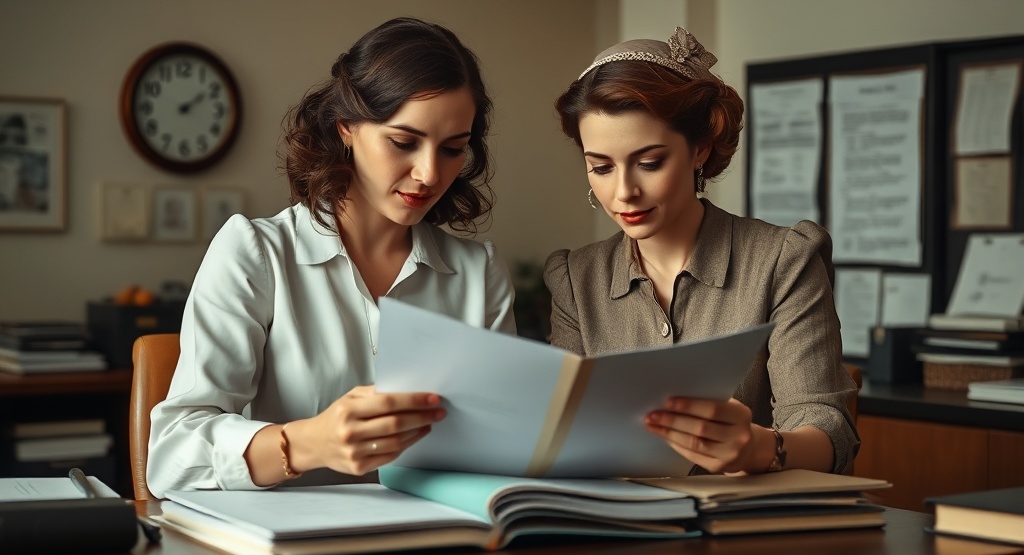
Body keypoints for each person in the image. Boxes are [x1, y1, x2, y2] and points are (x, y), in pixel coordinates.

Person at [148, 17, 516, 498]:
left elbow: (504, 443)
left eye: (452, 150)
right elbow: (171, 455)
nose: (429, 173)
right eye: (403, 142)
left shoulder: (479, 273)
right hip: (287, 540)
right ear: (347, 127)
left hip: (440, 535)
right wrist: (309, 444)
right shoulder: (256, 254)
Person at [544, 28, 858, 476]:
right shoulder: (576, 279)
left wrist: (759, 448)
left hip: (744, 516)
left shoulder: (783, 261)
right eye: (601, 167)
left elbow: (829, 430)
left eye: (649, 163)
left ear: (700, 150)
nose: (624, 191)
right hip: (613, 514)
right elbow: (563, 430)